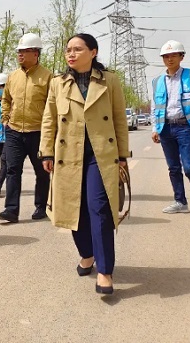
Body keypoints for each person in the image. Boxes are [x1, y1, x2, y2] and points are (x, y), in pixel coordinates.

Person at [39, 33, 129, 295]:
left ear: (93, 52)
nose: (71, 54)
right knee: (74, 210)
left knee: (99, 209)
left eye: (78, 49)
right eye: (68, 49)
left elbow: (119, 119)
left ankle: (105, 271)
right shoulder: (58, 83)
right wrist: (46, 153)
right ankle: (87, 254)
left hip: (100, 156)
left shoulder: (109, 81)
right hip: (68, 155)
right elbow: (49, 119)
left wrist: (123, 155)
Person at [0, 33, 52, 223]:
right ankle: (11, 210)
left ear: (36, 53)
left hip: (38, 132)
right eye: (18, 51)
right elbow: (6, 99)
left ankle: (41, 206)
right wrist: (5, 118)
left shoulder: (48, 77)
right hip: (14, 131)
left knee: (41, 172)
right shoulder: (13, 77)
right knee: (12, 170)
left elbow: (53, 105)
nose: (20, 54)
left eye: (24, 51)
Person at [151, 40, 190, 220]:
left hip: (185, 127)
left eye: (173, 55)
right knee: (173, 168)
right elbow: (155, 106)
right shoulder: (157, 81)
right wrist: (155, 128)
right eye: (166, 56)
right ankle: (180, 202)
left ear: (181, 57)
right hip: (165, 128)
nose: (169, 59)